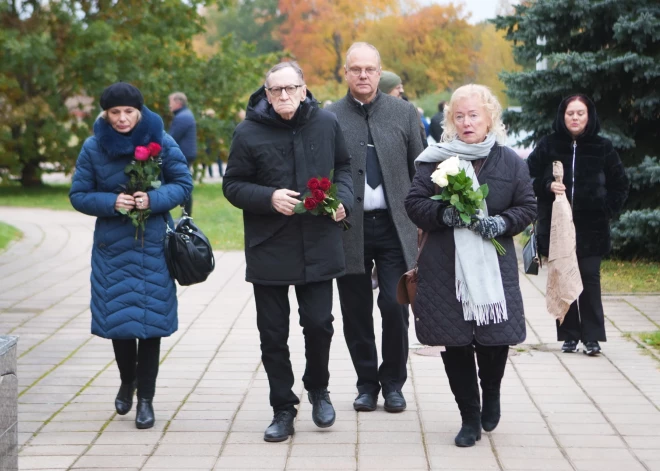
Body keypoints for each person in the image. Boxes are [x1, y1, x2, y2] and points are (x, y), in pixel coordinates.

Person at [223, 61, 354, 442]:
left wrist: (342, 199)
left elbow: (344, 166)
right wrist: (268, 197)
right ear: (266, 95)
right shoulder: (247, 132)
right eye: (275, 90)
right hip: (269, 246)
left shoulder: (326, 123)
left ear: (303, 88)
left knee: (319, 324)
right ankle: (282, 407)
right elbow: (232, 185)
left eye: (290, 88)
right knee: (273, 334)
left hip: (318, 241)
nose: (283, 95)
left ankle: (318, 388)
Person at [404, 84, 536, 447]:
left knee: (496, 338)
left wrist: (501, 223)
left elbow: (527, 206)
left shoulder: (510, 160)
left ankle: (490, 391)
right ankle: (469, 417)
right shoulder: (435, 159)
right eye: (459, 116)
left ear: (490, 116)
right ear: (450, 120)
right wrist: (445, 213)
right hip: (446, 268)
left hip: (495, 267)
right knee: (455, 341)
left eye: (473, 115)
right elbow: (414, 204)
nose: (466, 122)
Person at [69, 83, 193, 430]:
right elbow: (78, 195)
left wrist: (152, 200)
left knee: (150, 326)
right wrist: (112, 202)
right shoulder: (94, 147)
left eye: (128, 111)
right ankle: (128, 379)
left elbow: (183, 185)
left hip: (153, 247)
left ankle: (146, 401)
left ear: (140, 111)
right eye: (115, 112)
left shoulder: (161, 142)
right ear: (105, 115)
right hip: (113, 250)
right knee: (120, 325)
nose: (122, 119)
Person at [326, 43, 424, 414]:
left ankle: (393, 382)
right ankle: (366, 384)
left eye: (370, 69)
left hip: (395, 226)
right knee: (355, 309)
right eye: (356, 69)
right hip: (348, 227)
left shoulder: (403, 113)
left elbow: (421, 170)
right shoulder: (331, 116)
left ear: (380, 72)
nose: (363, 75)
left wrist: (423, 220)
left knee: (395, 306)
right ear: (346, 73)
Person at [527, 94, 628, 356]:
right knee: (563, 276)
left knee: (589, 279)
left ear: (589, 116)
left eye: (580, 113)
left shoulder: (602, 147)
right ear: (562, 116)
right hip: (557, 227)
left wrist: (605, 210)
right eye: (570, 113)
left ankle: (592, 337)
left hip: (591, 228)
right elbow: (527, 175)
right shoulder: (549, 144)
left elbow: (621, 184)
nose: (575, 118)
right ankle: (569, 335)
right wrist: (546, 185)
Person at [168, 92, 197, 215]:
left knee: (183, 184)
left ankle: (186, 214)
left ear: (178, 103)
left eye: (171, 102)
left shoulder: (182, 117)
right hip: (186, 154)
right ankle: (185, 214)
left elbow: (172, 137)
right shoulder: (184, 115)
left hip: (183, 155)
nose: (169, 106)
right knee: (184, 183)